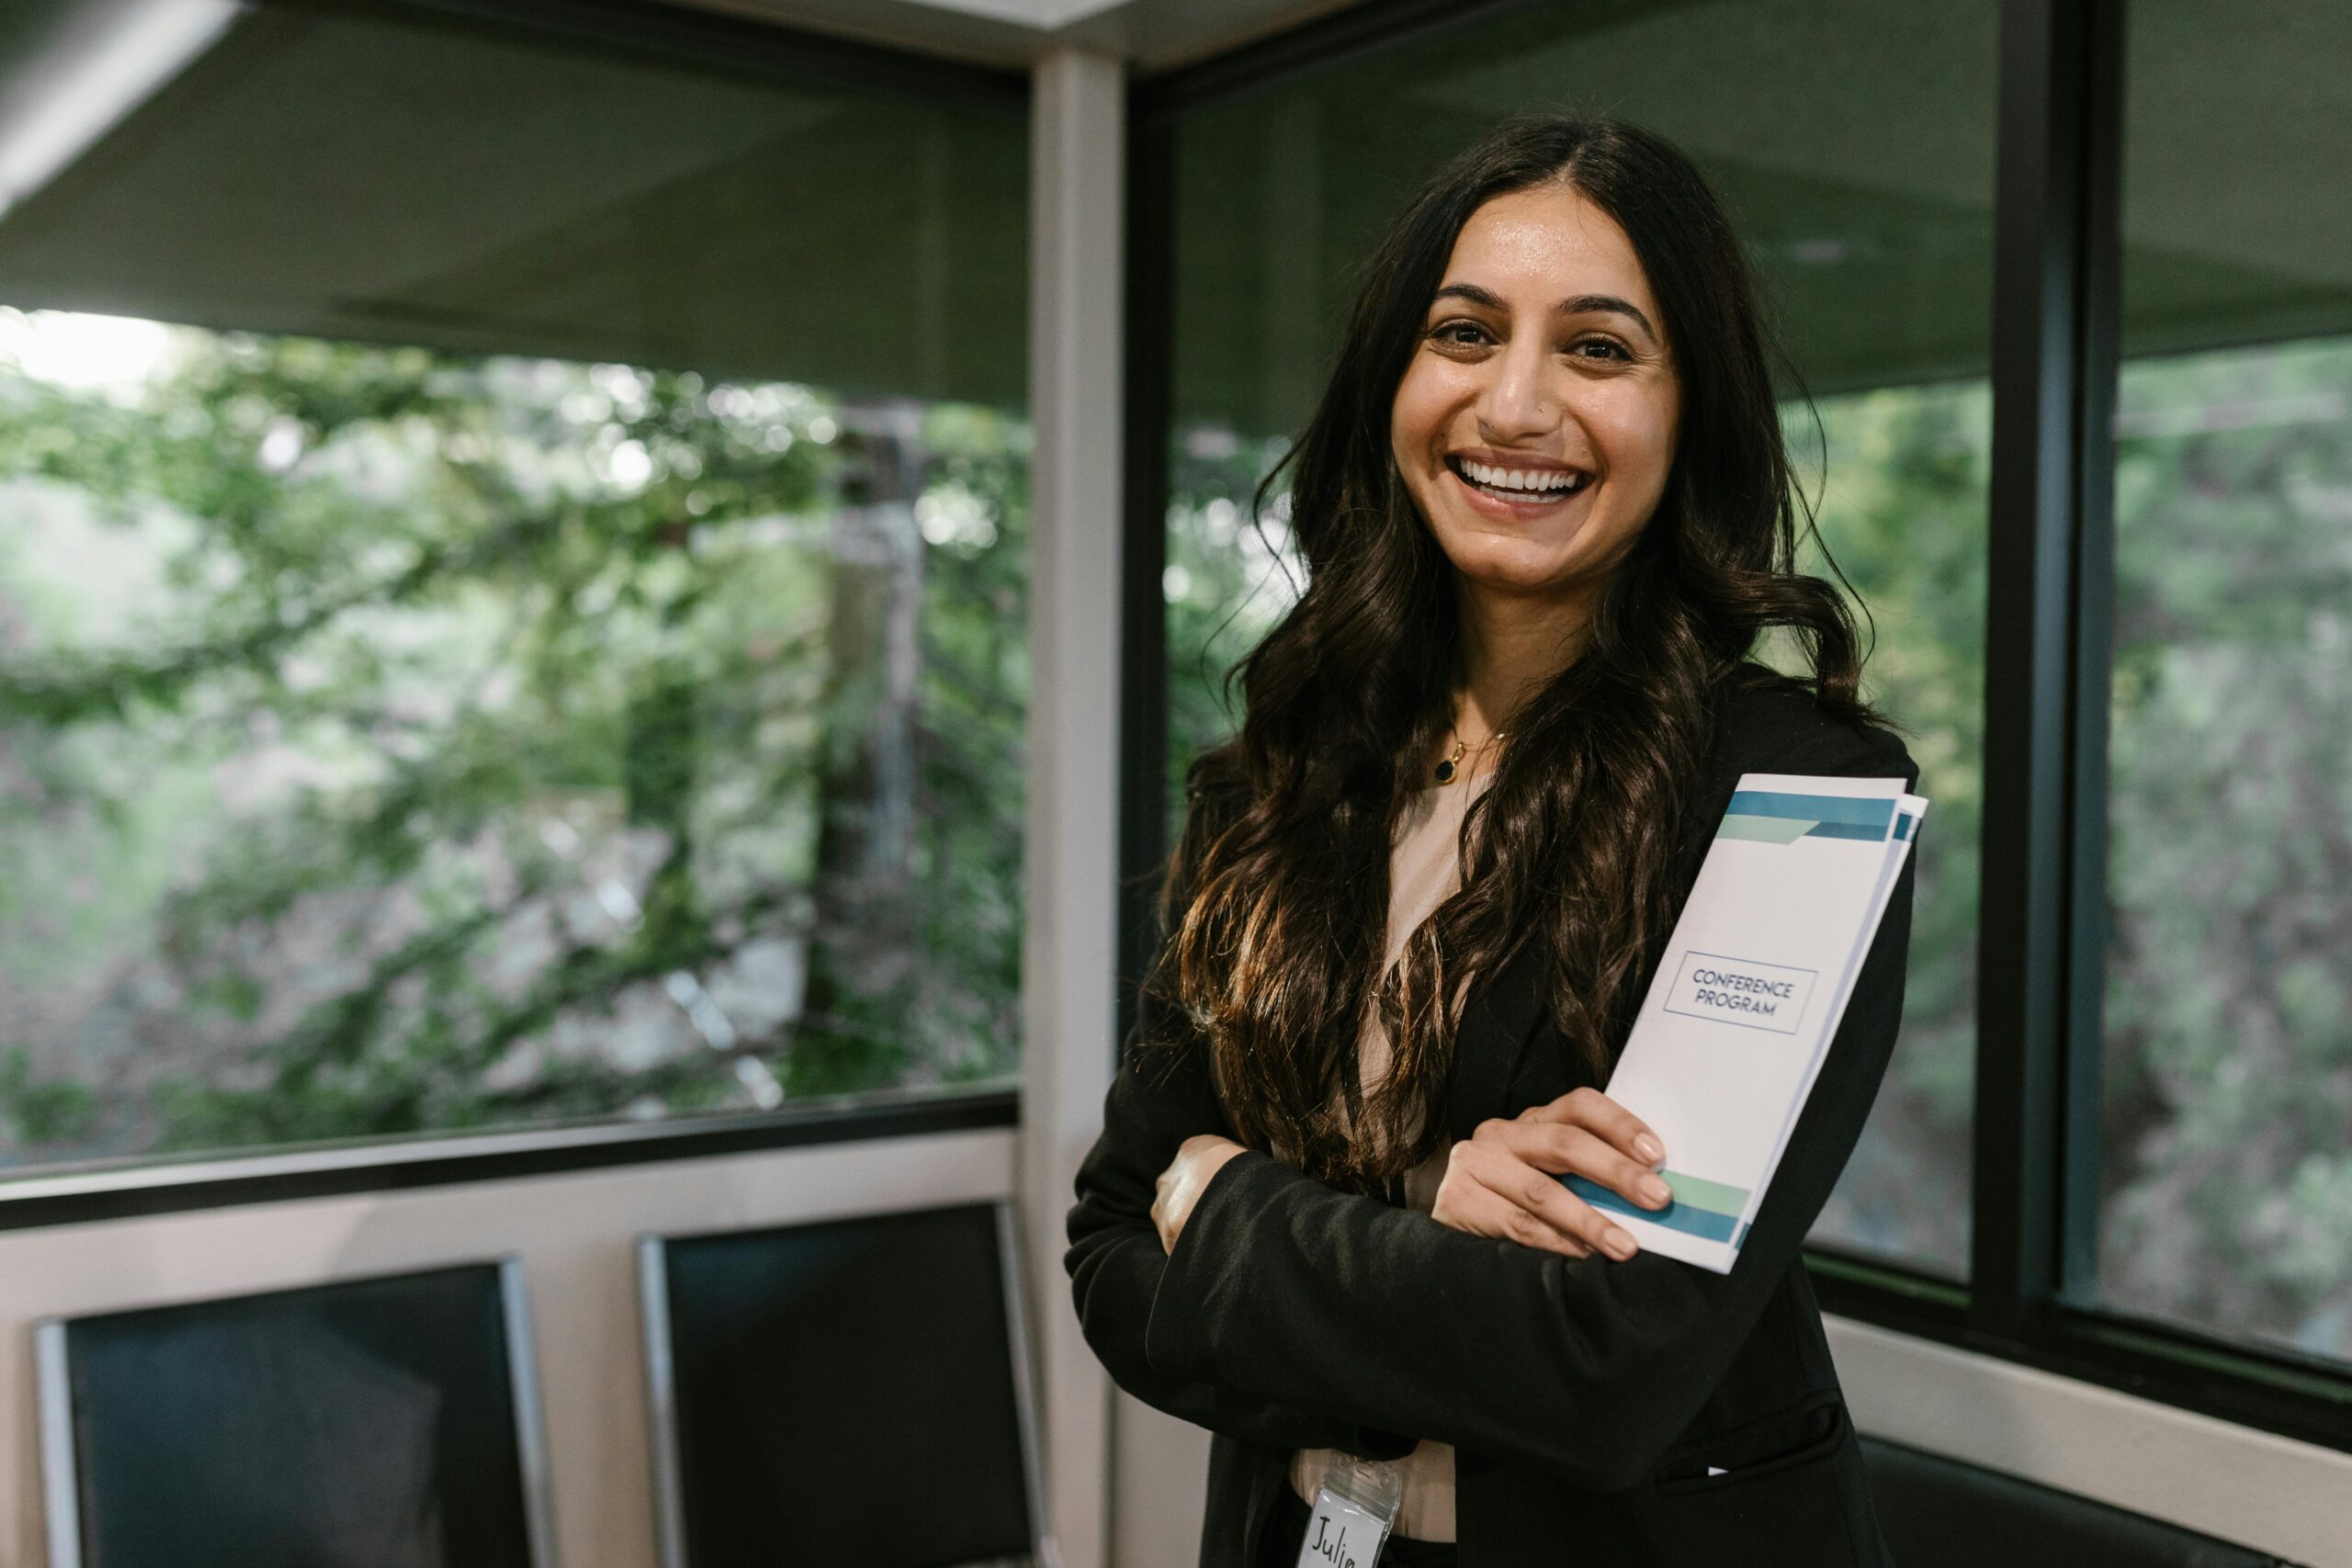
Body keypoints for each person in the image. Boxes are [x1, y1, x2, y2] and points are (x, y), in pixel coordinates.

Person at [1067, 113, 1917, 1568]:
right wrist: (1423, 1210)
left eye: (1598, 349)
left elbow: (1606, 1365)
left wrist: (1228, 1203)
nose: (1515, 406)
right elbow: (1105, 1253)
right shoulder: (1283, 770)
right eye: (1463, 334)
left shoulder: (1792, 799)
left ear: (1688, 405)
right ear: (1394, 377)